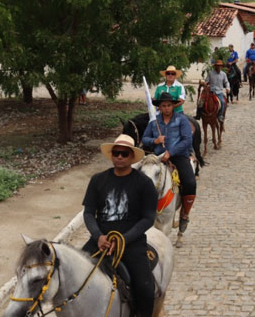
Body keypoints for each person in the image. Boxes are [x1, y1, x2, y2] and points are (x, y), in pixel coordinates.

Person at [82, 134, 157, 317]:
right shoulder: (97, 180)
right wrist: (98, 236)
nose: (120, 157)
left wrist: (124, 239)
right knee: (72, 274)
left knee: (145, 287)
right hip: (100, 239)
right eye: (116, 153)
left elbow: (148, 218)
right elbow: (89, 213)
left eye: (124, 154)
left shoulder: (144, 184)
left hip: (131, 242)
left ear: (131, 156)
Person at [141, 92, 196, 232]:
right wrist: (155, 141)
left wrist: (170, 152)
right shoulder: (154, 122)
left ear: (173, 106)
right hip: (157, 157)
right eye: (163, 106)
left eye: (169, 105)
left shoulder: (182, 120)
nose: (166, 108)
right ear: (159, 107)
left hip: (178, 156)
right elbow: (144, 139)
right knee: (138, 177)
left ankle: (184, 214)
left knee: (190, 183)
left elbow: (187, 140)